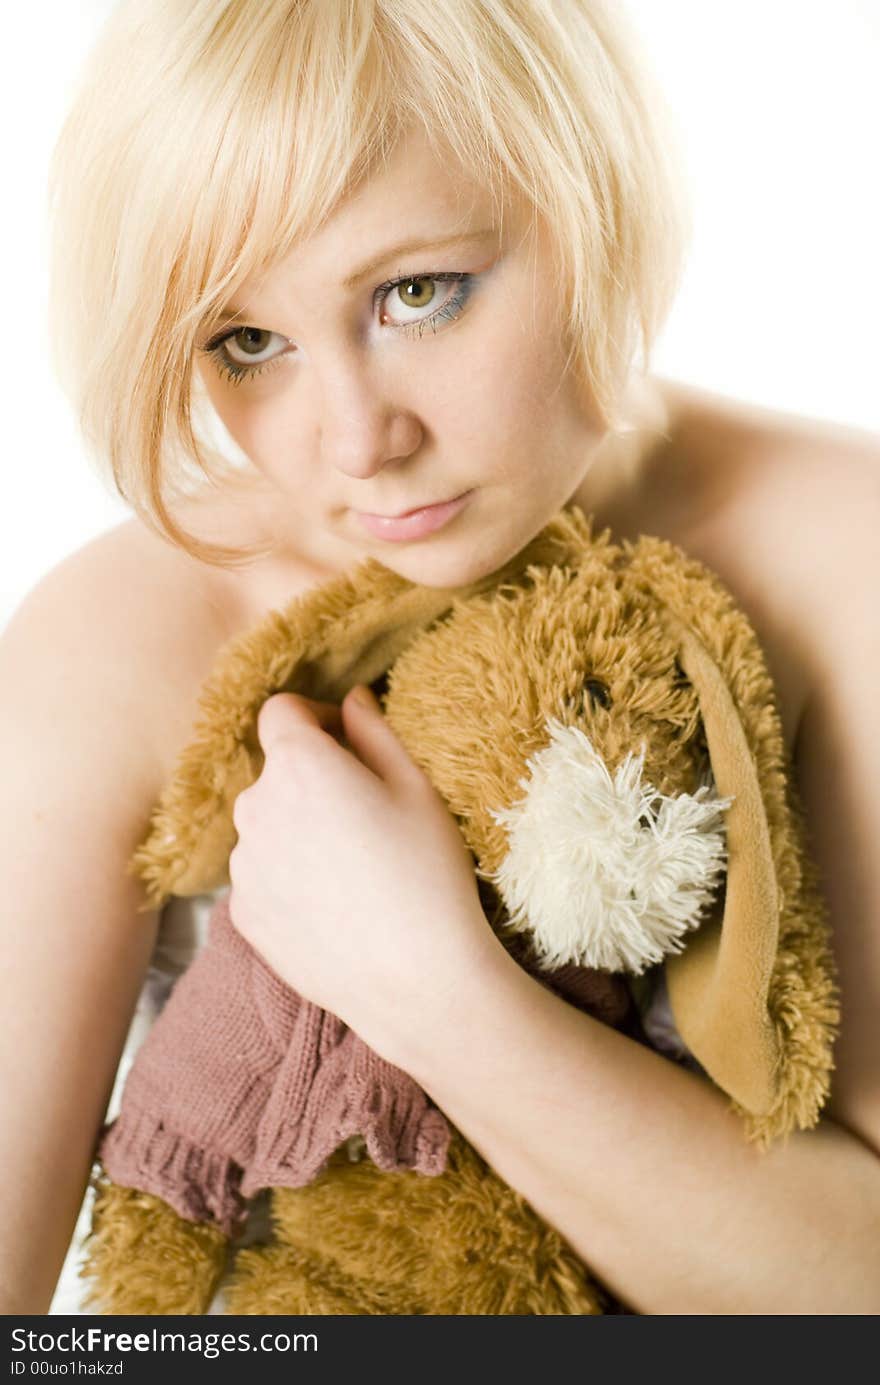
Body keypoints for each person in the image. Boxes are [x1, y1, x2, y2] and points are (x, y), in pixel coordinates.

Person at [2, 0, 878, 1316]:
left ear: (594, 203)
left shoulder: (838, 548)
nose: (358, 439)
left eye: (418, 294)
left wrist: (431, 985)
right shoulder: (123, 637)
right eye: (250, 342)